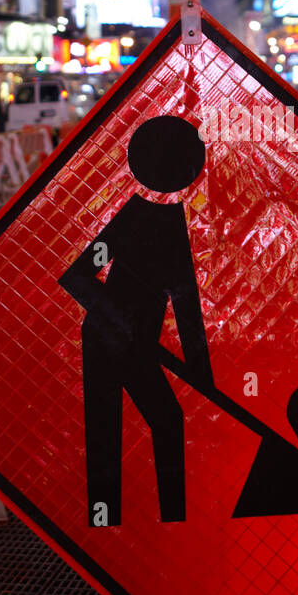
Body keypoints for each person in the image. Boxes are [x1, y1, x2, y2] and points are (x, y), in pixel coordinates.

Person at [59, 116, 212, 526]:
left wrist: (201, 371)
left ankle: (171, 522)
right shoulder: (134, 217)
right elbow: (75, 276)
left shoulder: (172, 221)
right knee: (110, 429)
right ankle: (108, 525)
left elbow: (186, 302)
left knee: (164, 421)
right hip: (106, 338)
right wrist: (117, 317)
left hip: (135, 342)